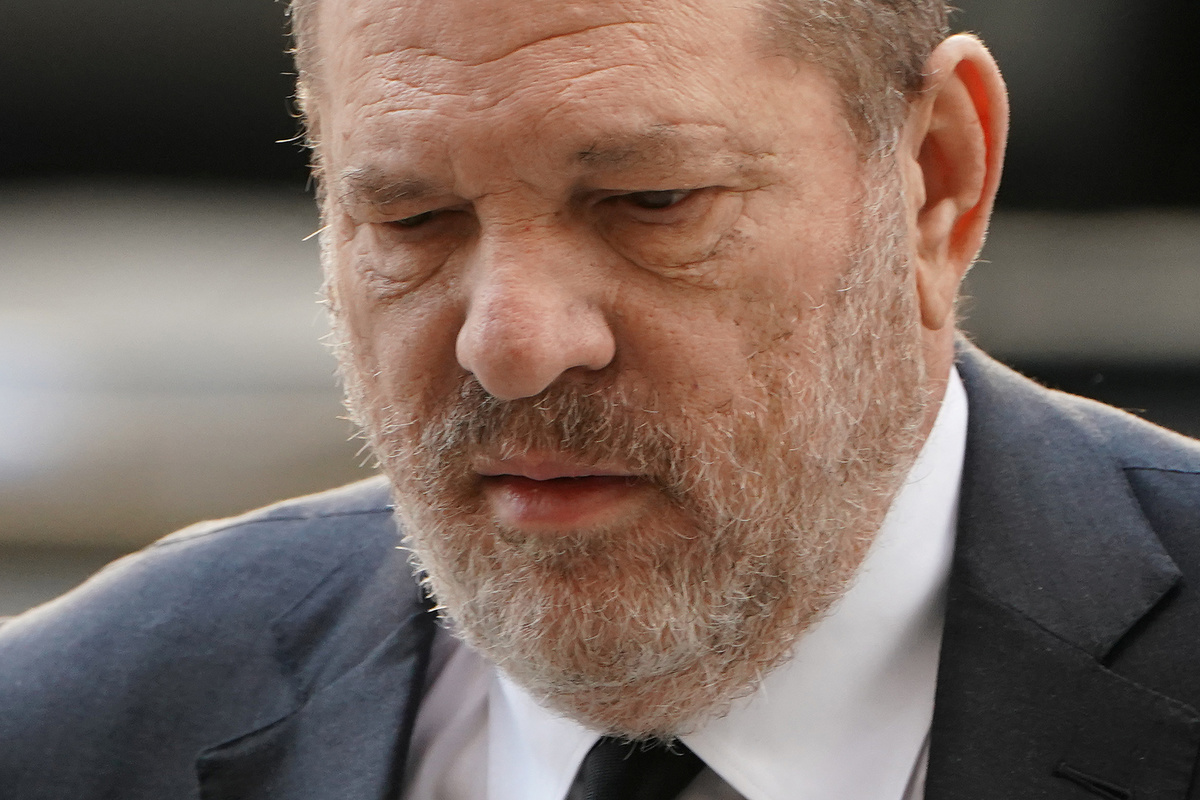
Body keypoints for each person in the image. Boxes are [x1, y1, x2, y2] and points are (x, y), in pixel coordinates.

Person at [3, 0, 1199, 798]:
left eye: (649, 202)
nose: (511, 345)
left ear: (936, 178)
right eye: (413, 219)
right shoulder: (72, 731)